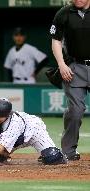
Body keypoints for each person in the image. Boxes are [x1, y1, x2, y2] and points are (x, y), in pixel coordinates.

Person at [0, 98, 67, 165]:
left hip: (33, 131)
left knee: (52, 157)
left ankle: (56, 154)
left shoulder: (13, 123)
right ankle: (5, 155)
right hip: (13, 139)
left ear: (6, 116)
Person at [50, 0, 90, 161]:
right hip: (74, 67)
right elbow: (56, 40)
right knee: (76, 110)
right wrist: (61, 64)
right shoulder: (64, 13)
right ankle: (68, 151)